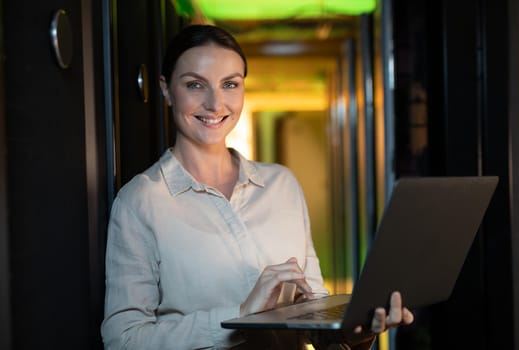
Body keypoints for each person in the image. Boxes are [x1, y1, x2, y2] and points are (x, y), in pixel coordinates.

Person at [101, 24, 413, 350]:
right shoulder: (140, 201)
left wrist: (357, 331)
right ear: (166, 90)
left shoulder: (282, 185)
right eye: (195, 85)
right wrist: (240, 316)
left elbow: (315, 321)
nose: (215, 103)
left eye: (230, 84)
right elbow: (124, 340)